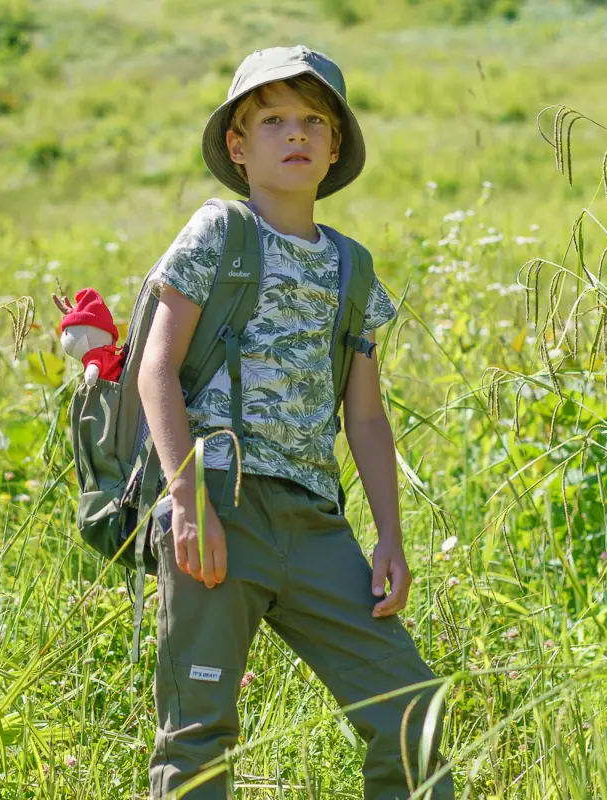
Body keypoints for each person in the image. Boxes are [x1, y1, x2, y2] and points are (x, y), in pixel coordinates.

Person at [136, 46, 454, 799]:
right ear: (239, 149)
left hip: (316, 525)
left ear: (335, 146)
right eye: (272, 119)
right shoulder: (218, 231)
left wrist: (390, 537)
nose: (296, 133)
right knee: (198, 733)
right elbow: (156, 366)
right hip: (219, 503)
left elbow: (366, 414)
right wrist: (187, 500)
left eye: (314, 119)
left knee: (412, 712)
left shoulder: (352, 266)